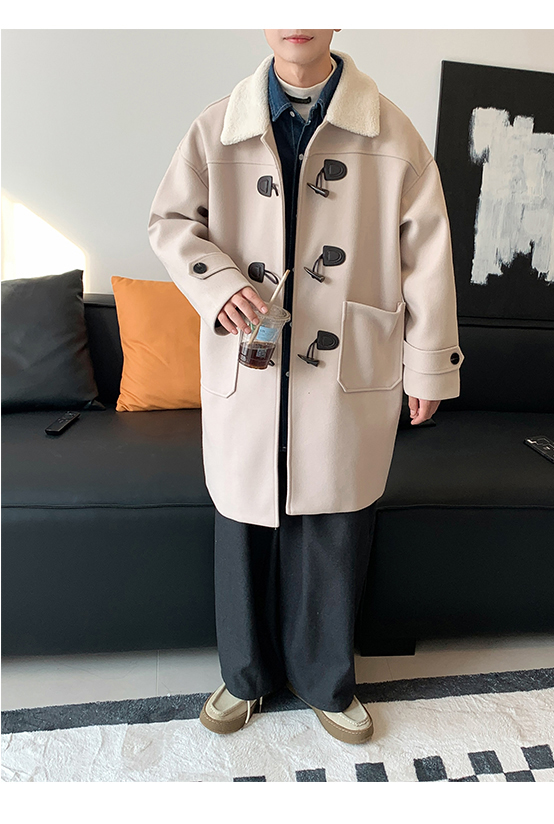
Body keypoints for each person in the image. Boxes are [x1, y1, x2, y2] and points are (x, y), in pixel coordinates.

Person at [148, 29, 464, 744]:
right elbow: (170, 222)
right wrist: (218, 283)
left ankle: (326, 681)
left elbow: (429, 256)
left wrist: (428, 364)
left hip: (345, 362)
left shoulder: (392, 134)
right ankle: (245, 677)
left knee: (335, 522)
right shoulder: (215, 129)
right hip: (251, 358)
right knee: (243, 520)